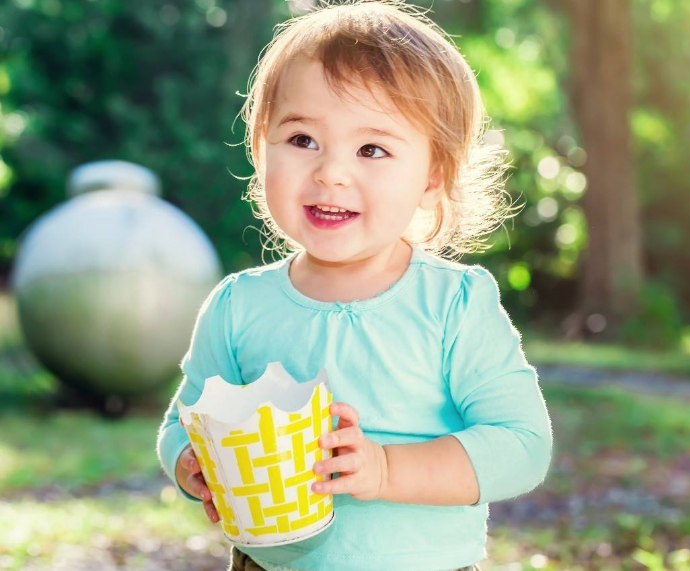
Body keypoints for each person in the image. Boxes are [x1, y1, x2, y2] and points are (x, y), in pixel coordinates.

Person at [155, 1, 553, 569]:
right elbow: (182, 422)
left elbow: (522, 446)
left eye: (372, 149)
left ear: (432, 176)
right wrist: (192, 464)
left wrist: (386, 468)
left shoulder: (453, 304)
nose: (331, 172)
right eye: (301, 139)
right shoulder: (238, 306)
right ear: (261, 148)